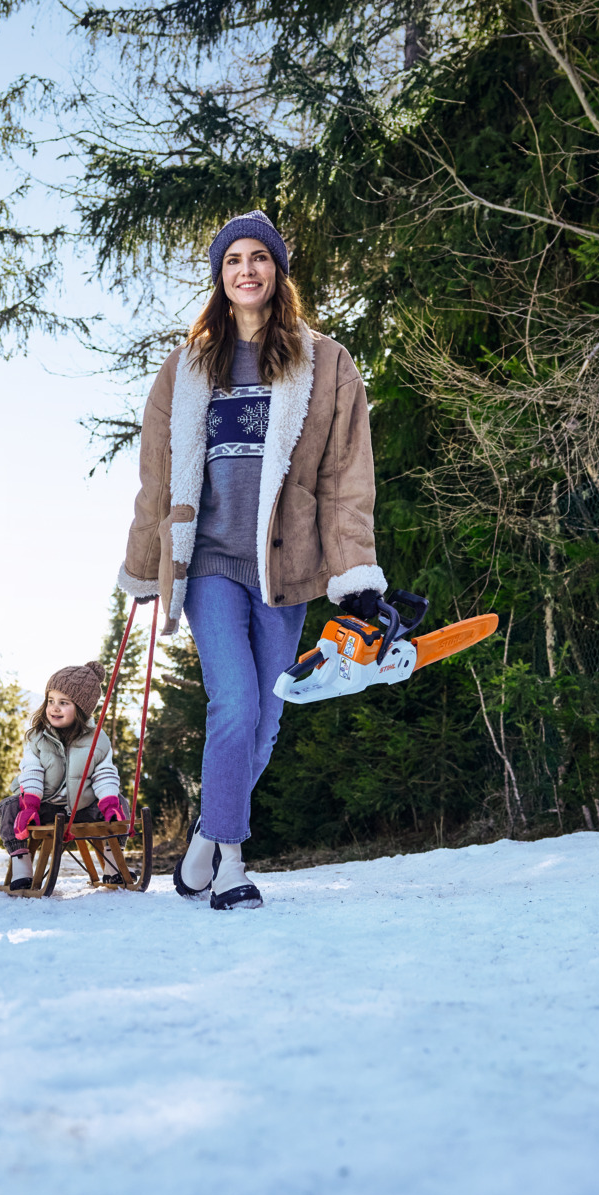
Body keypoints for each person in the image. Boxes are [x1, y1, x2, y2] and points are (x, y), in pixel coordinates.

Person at [116, 210, 384, 911]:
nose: (246, 270)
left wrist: (353, 573)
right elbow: (157, 474)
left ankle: (208, 832)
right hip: (208, 562)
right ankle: (232, 863)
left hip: (283, 567)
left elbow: (346, 482)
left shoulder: (326, 365)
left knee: (266, 717)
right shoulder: (187, 366)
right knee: (232, 702)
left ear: (278, 270)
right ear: (219, 275)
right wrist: (146, 565)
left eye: (258, 257)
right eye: (232, 259)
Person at [0, 663, 128, 892]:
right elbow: (32, 771)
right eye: (51, 700)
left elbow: (104, 773)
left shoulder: (97, 739)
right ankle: (21, 866)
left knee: (120, 802)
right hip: (43, 805)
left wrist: (108, 801)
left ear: (81, 708)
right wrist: (30, 804)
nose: (54, 708)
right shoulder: (38, 737)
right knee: (9, 806)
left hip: (82, 808)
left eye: (63, 702)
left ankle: (113, 863)